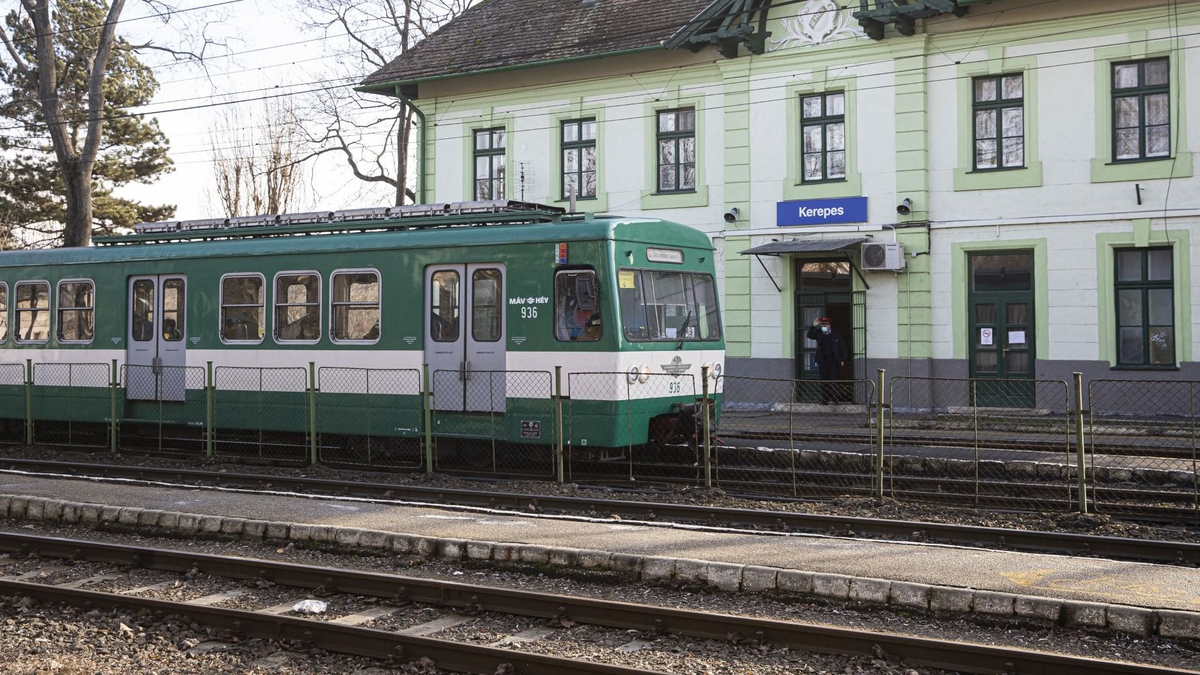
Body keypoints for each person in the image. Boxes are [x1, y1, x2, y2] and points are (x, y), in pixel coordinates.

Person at [806, 316, 848, 405]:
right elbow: (809, 335)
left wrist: (842, 359)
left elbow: (842, 346)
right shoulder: (819, 333)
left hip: (833, 361)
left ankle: (835, 399)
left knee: (834, 380)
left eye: (825, 325)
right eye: (822, 325)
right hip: (823, 360)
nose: (824, 327)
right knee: (823, 380)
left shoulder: (836, 334)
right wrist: (814, 326)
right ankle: (824, 400)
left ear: (829, 325)